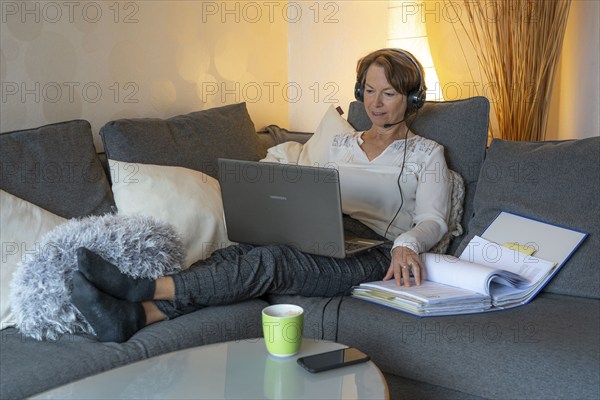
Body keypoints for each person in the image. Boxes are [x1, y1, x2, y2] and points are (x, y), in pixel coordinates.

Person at [71, 49, 451, 342]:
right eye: (368, 90)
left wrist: (406, 245)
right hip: (329, 234)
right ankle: (138, 316)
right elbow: (312, 190)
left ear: (413, 99)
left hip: (376, 250)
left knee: (272, 262)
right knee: (236, 253)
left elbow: (435, 219)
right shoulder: (340, 144)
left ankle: (144, 287)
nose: (375, 102)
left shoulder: (426, 152)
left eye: (388, 93)